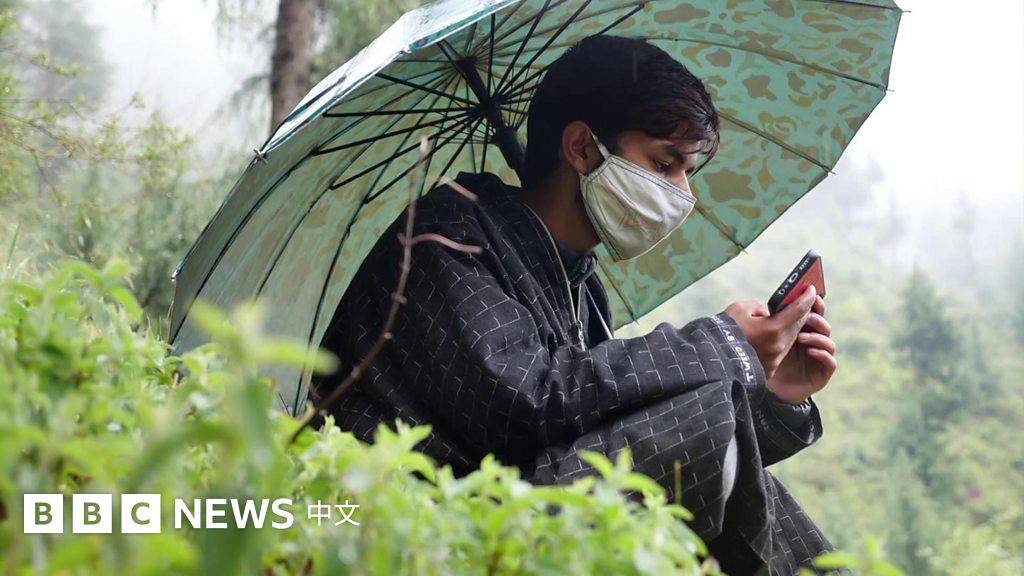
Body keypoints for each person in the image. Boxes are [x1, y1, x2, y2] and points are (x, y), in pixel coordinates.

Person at [312, 34, 838, 576]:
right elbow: (524, 402)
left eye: (685, 171)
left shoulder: (581, 285)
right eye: (664, 164)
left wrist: (769, 391)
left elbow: (614, 428)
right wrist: (723, 344)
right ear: (583, 148)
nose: (684, 192)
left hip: (505, 504)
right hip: (419, 518)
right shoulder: (447, 232)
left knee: (706, 424)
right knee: (702, 427)